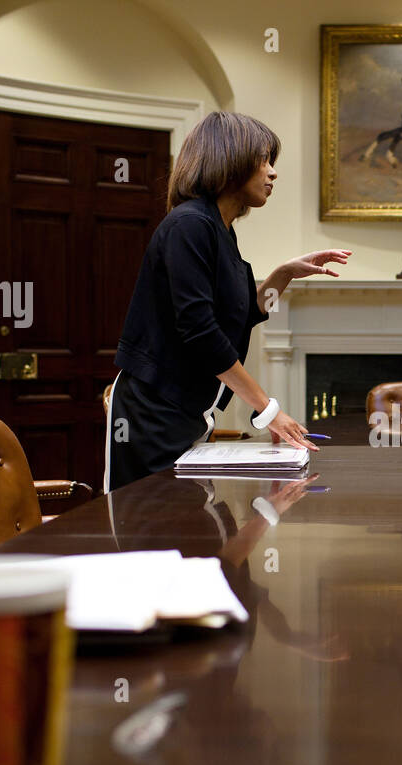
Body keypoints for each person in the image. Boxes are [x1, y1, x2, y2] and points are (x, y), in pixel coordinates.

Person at [105, 111, 351, 492]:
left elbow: (242, 316)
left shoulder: (221, 231)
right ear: (228, 158)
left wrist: (283, 274)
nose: (273, 173)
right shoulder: (189, 225)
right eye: (264, 160)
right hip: (151, 415)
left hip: (187, 412)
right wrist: (269, 411)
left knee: (191, 534)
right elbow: (201, 333)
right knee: (149, 534)